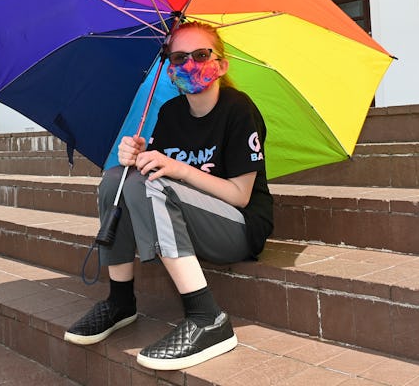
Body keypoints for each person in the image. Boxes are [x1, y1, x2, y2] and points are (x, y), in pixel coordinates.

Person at [64, 21, 274, 371]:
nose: (189, 64)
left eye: (201, 55)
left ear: (220, 64)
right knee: (118, 178)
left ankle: (208, 317)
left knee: (155, 184)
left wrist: (176, 169)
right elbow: (152, 177)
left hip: (237, 228)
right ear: (169, 68)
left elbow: (239, 195)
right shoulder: (170, 112)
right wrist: (138, 155)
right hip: (187, 222)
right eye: (178, 58)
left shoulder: (239, 110)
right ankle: (120, 301)